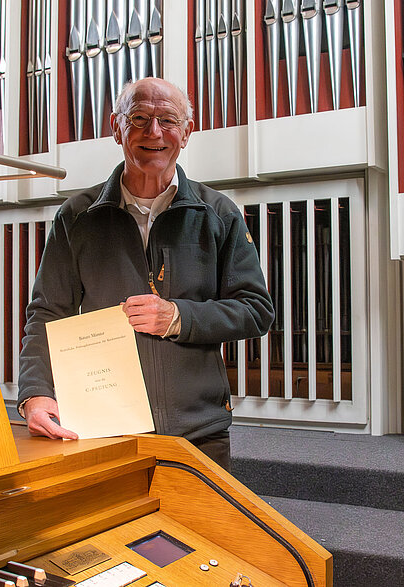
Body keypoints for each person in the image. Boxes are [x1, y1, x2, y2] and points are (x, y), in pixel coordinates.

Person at [17, 77, 274, 469]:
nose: (153, 132)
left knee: (199, 532)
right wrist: (35, 392)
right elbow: (47, 314)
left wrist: (178, 317)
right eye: (138, 118)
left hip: (199, 430)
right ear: (115, 127)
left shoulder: (219, 215)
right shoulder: (76, 218)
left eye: (168, 120)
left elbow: (256, 310)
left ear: (187, 133)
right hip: (105, 428)